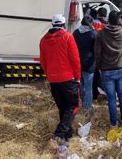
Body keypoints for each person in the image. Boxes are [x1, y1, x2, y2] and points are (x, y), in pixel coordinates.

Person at [39, 15, 81, 146]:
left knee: (63, 107)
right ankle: (59, 134)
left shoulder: (43, 40)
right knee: (73, 106)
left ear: (52, 24)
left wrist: (49, 75)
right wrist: (78, 77)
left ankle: (67, 135)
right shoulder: (68, 37)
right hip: (68, 78)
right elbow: (75, 59)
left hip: (53, 79)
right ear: (63, 24)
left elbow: (43, 62)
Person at [94, 11, 122, 127]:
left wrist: (99, 66)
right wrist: (120, 22)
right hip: (120, 68)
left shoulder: (101, 34)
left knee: (111, 98)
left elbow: (97, 53)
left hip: (106, 70)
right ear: (118, 21)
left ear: (108, 19)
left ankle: (113, 123)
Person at [73, 15, 96, 115]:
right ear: (91, 24)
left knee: (80, 85)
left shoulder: (76, 33)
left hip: (77, 63)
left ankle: (81, 102)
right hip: (89, 64)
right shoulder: (93, 34)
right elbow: (95, 50)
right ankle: (87, 107)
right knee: (88, 87)